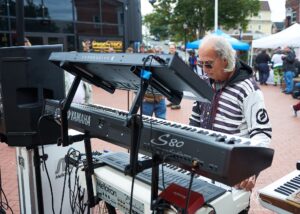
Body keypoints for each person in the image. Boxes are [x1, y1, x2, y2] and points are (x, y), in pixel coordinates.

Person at [189, 35, 272, 197]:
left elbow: (262, 133)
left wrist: (249, 168)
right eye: (201, 64)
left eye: (209, 64)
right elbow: (194, 123)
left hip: (234, 175)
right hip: (204, 168)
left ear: (225, 60)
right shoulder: (204, 83)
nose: (204, 69)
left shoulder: (248, 89)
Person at [142, 49, 166, 119]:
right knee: (146, 122)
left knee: (162, 122)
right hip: (147, 100)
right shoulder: (143, 68)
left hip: (160, 99)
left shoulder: (161, 67)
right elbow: (139, 82)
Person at [167, 43, 181, 110]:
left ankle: (177, 104)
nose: (171, 49)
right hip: (170, 75)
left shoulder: (177, 56)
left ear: (175, 49)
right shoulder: (168, 55)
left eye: (172, 48)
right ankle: (172, 102)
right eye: (170, 48)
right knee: (171, 89)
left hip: (176, 75)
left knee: (177, 90)